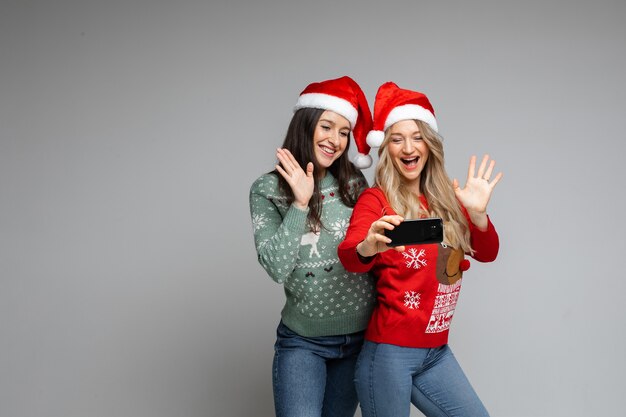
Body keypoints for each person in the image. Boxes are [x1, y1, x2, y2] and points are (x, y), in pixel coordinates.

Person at [337, 81, 503, 417]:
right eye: (397, 139)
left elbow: (487, 252)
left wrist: (477, 215)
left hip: (436, 352)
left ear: (429, 145)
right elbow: (350, 255)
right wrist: (368, 245)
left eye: (417, 137)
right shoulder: (376, 200)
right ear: (387, 148)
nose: (408, 147)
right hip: (389, 354)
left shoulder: (448, 200)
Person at [249, 76, 377, 417]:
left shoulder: (352, 182)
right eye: (326, 126)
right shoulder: (266, 189)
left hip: (360, 340)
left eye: (344, 132)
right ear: (306, 124)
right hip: (303, 343)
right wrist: (301, 204)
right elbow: (276, 267)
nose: (335, 140)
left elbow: (370, 253)